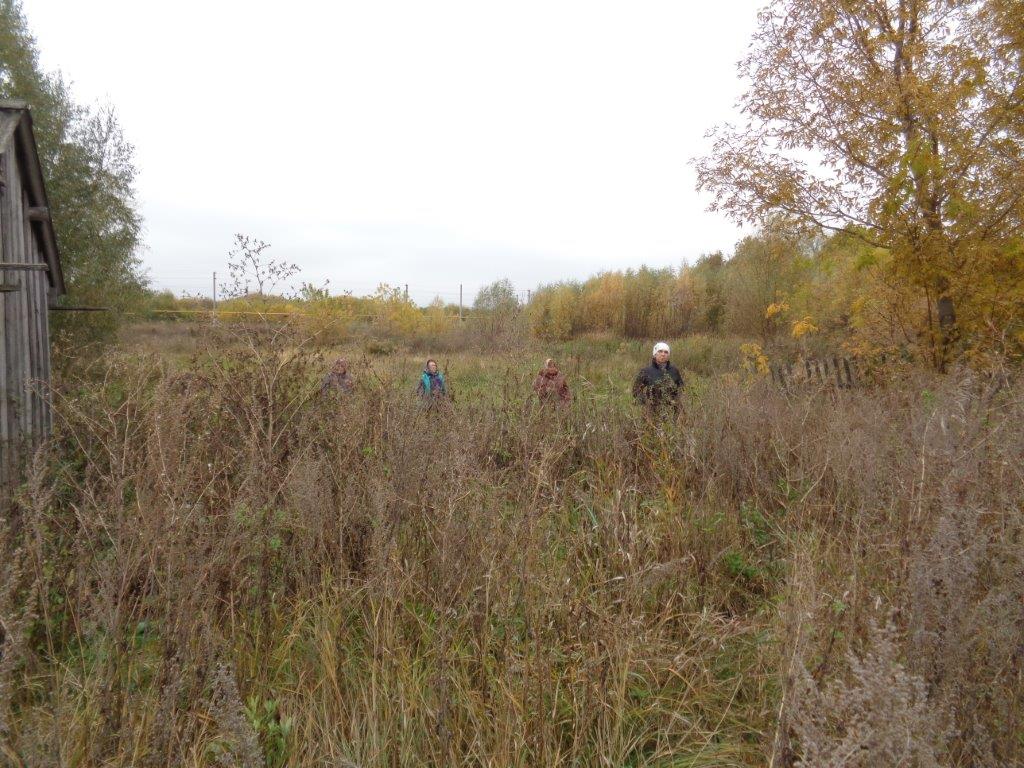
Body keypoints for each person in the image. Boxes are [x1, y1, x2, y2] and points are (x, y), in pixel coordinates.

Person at [632, 341, 683, 411]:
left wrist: (676, 402)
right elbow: (636, 391)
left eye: (666, 352)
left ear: (668, 355)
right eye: (660, 351)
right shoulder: (646, 371)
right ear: (655, 354)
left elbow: (681, 389)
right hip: (652, 412)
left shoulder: (674, 371)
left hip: (672, 412)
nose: (663, 354)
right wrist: (647, 402)